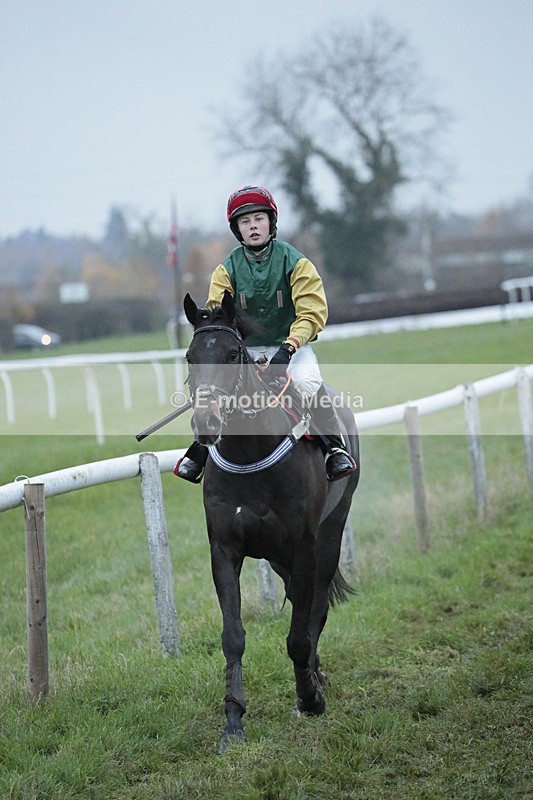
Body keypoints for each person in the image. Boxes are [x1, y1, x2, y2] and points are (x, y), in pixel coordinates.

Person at [175, 185, 357, 483]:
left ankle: (334, 448)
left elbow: (312, 314)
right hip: (243, 352)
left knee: (307, 382)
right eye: (245, 222)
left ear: (271, 222)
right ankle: (201, 449)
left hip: (292, 349)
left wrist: (287, 349)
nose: (253, 226)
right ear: (237, 229)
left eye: (259, 219)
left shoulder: (297, 263)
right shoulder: (225, 270)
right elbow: (219, 318)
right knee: (217, 391)